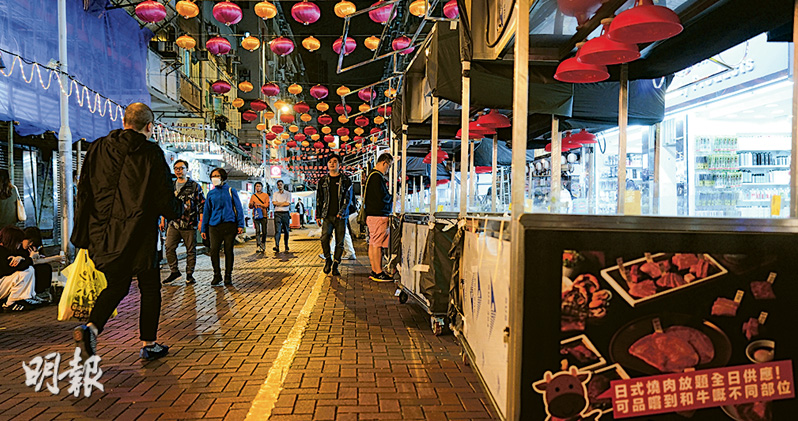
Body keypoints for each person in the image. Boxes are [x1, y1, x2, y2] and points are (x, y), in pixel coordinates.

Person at [71, 102, 182, 361]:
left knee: (118, 284)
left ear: (124, 122)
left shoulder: (98, 147)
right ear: (149, 126)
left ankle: (91, 328)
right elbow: (162, 196)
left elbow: (84, 190)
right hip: (139, 233)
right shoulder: (151, 153)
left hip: (103, 232)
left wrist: (82, 233)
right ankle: (149, 343)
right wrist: (177, 210)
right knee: (150, 287)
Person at [160, 160, 205, 285]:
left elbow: (201, 204)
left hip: (189, 223)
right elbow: (166, 204)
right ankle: (174, 271)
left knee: (190, 250)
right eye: (176, 168)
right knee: (169, 247)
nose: (178, 171)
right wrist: (163, 219)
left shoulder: (195, 186)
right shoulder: (171, 185)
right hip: (174, 223)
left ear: (187, 169)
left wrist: (201, 222)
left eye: (181, 168)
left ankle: (189, 275)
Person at [201, 168, 245, 286]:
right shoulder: (210, 193)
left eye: (217, 175)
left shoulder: (231, 190)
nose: (214, 178)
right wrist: (203, 228)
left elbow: (238, 208)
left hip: (229, 225)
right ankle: (217, 275)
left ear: (223, 177)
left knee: (228, 250)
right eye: (213, 176)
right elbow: (207, 212)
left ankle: (228, 276)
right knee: (214, 250)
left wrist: (241, 225)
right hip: (214, 226)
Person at [316, 154, 353, 276]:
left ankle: (336, 264)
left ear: (339, 164)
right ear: (327, 164)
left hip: (341, 216)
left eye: (335, 161)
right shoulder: (322, 181)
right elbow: (319, 199)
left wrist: (341, 212)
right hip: (327, 215)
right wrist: (318, 215)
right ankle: (328, 259)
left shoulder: (346, 180)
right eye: (330, 162)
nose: (332, 164)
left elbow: (348, 199)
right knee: (324, 238)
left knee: (339, 242)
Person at [365, 153, 394, 282]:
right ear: (384, 163)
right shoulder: (377, 177)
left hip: (372, 215)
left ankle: (374, 269)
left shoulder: (371, 176)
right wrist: (393, 197)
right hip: (378, 215)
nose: (388, 169)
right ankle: (378, 271)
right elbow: (382, 197)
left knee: (373, 243)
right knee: (377, 244)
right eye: (389, 166)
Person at [0, 226, 38, 311]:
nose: (20, 245)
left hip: (2, 282)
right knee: (25, 272)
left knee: (30, 270)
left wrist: (21, 258)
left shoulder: (8, 249)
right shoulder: (2, 251)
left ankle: (23, 299)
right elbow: (18, 267)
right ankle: (11, 303)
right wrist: (28, 259)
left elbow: (23, 262)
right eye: (19, 242)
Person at [248, 182, 270, 253]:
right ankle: (258, 245)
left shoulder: (265, 195)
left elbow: (267, 205)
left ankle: (263, 243)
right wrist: (251, 205)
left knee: (264, 231)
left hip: (264, 215)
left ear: (262, 187)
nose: (258, 188)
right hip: (256, 215)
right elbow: (250, 206)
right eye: (257, 186)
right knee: (257, 231)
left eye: (259, 186)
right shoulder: (253, 196)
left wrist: (259, 204)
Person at [272, 180, 291, 253]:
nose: (280, 186)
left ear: (283, 185)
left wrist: (278, 203)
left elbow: (287, 203)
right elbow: (274, 203)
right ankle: (277, 246)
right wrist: (283, 203)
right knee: (277, 230)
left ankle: (286, 245)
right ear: (277, 186)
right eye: (278, 185)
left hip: (285, 213)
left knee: (286, 230)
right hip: (277, 213)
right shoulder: (275, 194)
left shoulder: (288, 193)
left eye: (281, 184)